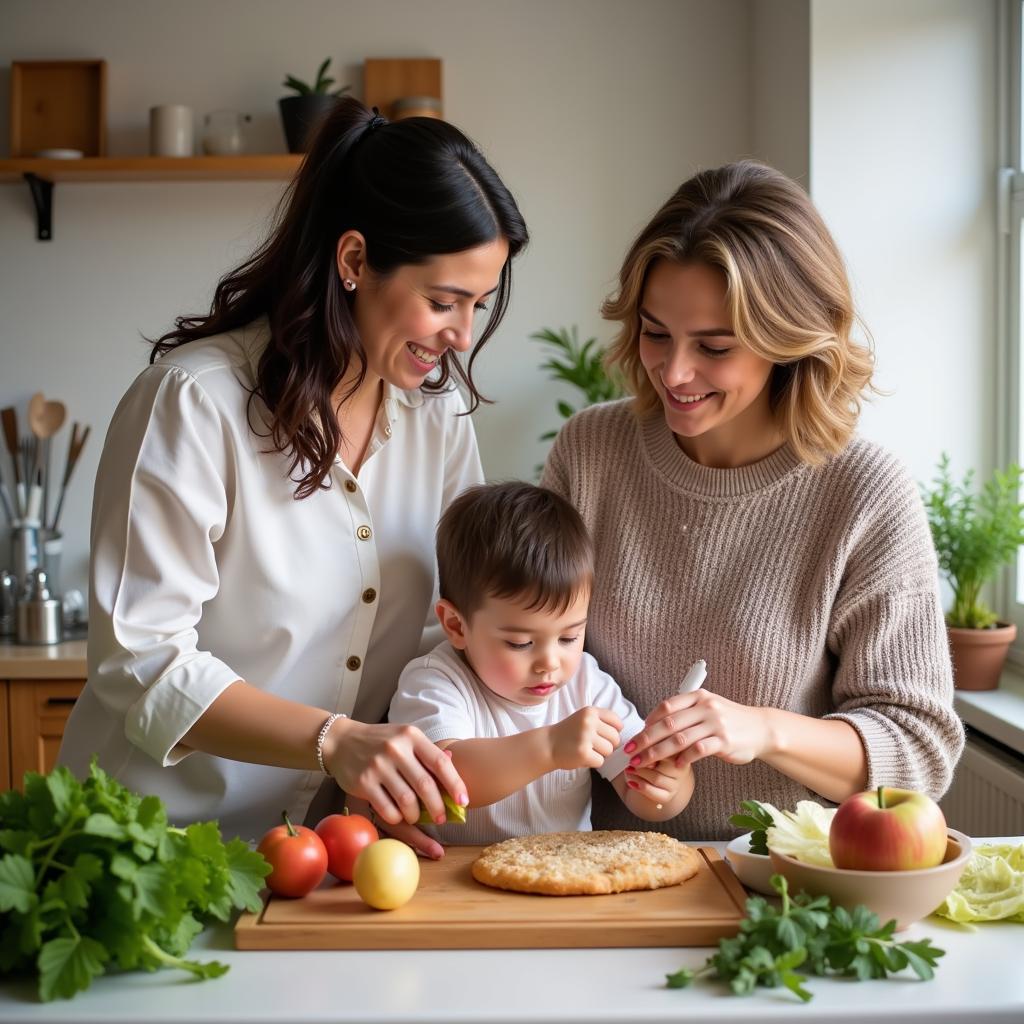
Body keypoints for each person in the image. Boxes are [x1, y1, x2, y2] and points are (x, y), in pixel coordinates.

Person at [59, 98, 529, 857]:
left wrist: (400, 779)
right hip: (155, 846)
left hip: (325, 853)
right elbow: (143, 661)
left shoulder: (437, 418)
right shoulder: (195, 402)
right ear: (353, 262)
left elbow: (443, 626)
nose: (463, 335)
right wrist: (336, 741)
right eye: (443, 301)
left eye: (478, 303)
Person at [541, 160, 965, 841]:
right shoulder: (590, 453)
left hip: (788, 892)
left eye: (714, 346)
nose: (675, 372)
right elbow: (510, 662)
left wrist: (761, 729)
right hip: (606, 871)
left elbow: (918, 754)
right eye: (655, 333)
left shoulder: (864, 492)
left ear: (789, 342)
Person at [388, 481, 692, 843]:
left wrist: (667, 785)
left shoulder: (585, 684)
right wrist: (549, 748)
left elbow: (642, 796)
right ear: (456, 625)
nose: (550, 662)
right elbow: (444, 777)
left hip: (562, 879)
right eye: (521, 642)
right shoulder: (434, 682)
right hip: (455, 884)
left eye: (568, 637)